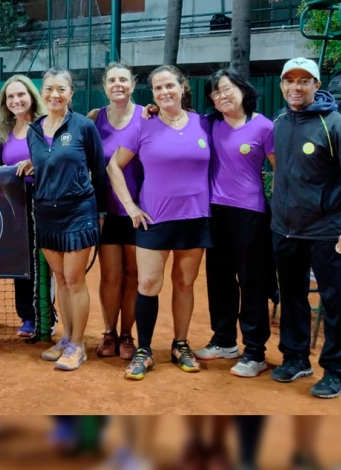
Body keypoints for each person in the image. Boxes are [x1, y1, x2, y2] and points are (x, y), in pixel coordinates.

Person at [270, 57, 341, 399]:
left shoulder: (336, 124)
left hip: (328, 231)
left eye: (304, 81)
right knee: (292, 297)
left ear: (316, 85)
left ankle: (337, 371)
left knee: (336, 301)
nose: (295, 87)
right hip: (285, 230)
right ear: (282, 85)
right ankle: (296, 358)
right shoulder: (280, 121)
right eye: (289, 81)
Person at [108, 65, 212, 380]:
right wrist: (130, 207)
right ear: (152, 94)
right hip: (154, 220)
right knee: (148, 285)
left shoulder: (204, 124)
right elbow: (114, 166)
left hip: (195, 218)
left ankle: (180, 344)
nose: (164, 92)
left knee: (185, 284)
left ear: (182, 87)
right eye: (157, 88)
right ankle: (144, 350)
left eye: (169, 86)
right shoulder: (144, 125)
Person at [191, 68, 275, 378]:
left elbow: (280, 171)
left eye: (226, 88)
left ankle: (255, 351)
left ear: (242, 90)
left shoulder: (264, 126)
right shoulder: (208, 123)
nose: (222, 95)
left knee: (252, 282)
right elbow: (177, 120)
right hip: (214, 212)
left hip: (250, 214)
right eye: (215, 92)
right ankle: (224, 340)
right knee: (219, 279)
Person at [28, 67, 106, 371]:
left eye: (61, 89)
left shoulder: (84, 126)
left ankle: (78, 344)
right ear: (42, 93)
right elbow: (42, 164)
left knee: (74, 280)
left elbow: (99, 170)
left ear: (71, 93)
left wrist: (101, 213)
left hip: (78, 213)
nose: (54, 95)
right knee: (60, 279)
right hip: (46, 215)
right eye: (49, 89)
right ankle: (66, 337)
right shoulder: (34, 131)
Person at [86, 62, 143, 361]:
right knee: (110, 275)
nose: (117, 84)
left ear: (133, 84)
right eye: (111, 80)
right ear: (104, 86)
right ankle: (109, 332)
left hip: (139, 211)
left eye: (123, 79)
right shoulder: (94, 118)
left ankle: (126, 335)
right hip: (105, 212)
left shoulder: (148, 116)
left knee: (133, 276)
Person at [0, 74, 55, 337]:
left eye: (21, 94)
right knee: (21, 260)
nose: (16, 100)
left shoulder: (46, 125)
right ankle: (28, 317)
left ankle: (46, 315)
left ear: (31, 96)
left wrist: (36, 164)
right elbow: (3, 163)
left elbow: (57, 158)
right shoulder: (5, 131)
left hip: (43, 200)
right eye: (10, 96)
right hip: (15, 203)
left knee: (44, 260)